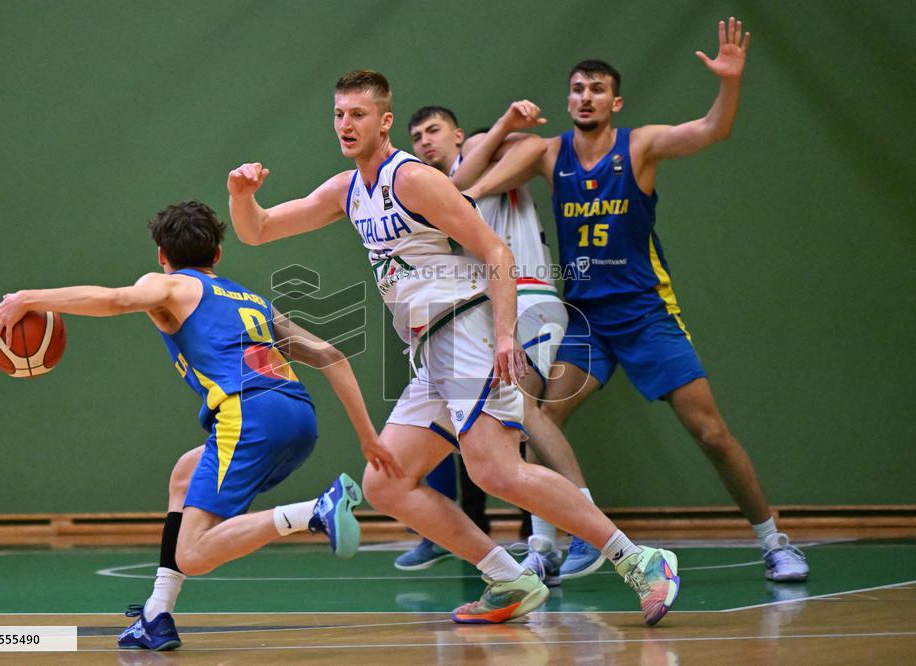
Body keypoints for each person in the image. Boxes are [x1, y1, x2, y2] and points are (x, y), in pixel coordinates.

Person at [226, 69, 680, 625]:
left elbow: (495, 251)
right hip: (428, 350)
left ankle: (641, 561)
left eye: (358, 115)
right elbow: (260, 230)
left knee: (494, 470)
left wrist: (507, 336)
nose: (346, 124)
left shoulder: (411, 178)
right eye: (340, 114)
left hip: (467, 329)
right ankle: (508, 578)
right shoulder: (348, 190)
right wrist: (241, 196)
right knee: (386, 481)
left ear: (385, 122)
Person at [466, 18, 808, 581]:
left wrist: (729, 82)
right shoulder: (548, 153)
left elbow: (711, 130)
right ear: (568, 99)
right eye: (577, 88)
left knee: (711, 433)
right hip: (588, 320)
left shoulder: (640, 146)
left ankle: (774, 541)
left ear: (615, 102)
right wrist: (502, 129)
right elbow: (469, 185)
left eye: (596, 89)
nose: (585, 96)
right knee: (540, 422)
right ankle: (544, 547)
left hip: (646, 313)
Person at [0, 200, 403, 651]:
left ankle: (314, 511)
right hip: (299, 418)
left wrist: (28, 298)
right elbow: (331, 356)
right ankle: (156, 614)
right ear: (218, 253)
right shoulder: (251, 299)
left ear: (162, 255)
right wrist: (367, 436)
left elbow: (115, 299)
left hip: (250, 416)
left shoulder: (169, 287)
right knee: (185, 474)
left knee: (194, 553)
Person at [397, 105, 606, 583]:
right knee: (517, 423)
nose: (425, 141)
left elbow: (536, 147)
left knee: (528, 413)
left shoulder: (488, 157)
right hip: (489, 309)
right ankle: (542, 546)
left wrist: (500, 131)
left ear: (458, 133)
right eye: (418, 136)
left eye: (434, 130)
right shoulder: (432, 194)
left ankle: (593, 531)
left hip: (528, 294)